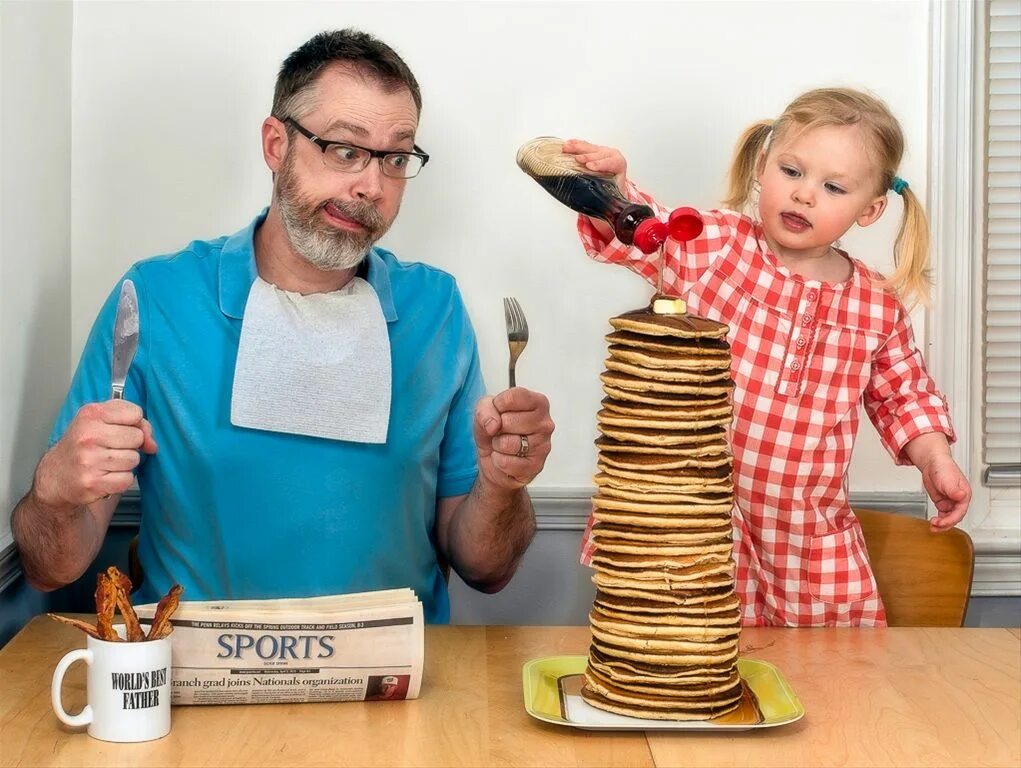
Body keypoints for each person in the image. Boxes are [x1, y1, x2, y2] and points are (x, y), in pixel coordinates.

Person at [11, 29, 554, 623]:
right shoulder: (157, 300)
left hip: (394, 689)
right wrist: (55, 491)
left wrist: (504, 484)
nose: (371, 186)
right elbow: (50, 568)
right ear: (276, 144)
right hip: (200, 684)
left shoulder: (435, 308)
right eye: (344, 149)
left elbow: (486, 570)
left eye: (396, 158)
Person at [564, 88, 971, 627]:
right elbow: (643, 233)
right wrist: (614, 192)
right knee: (675, 663)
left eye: (832, 187)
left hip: (806, 538)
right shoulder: (714, 245)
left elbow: (906, 396)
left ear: (869, 209)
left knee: (830, 683)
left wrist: (936, 461)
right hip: (690, 518)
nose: (804, 195)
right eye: (791, 171)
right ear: (762, 166)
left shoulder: (877, 305)